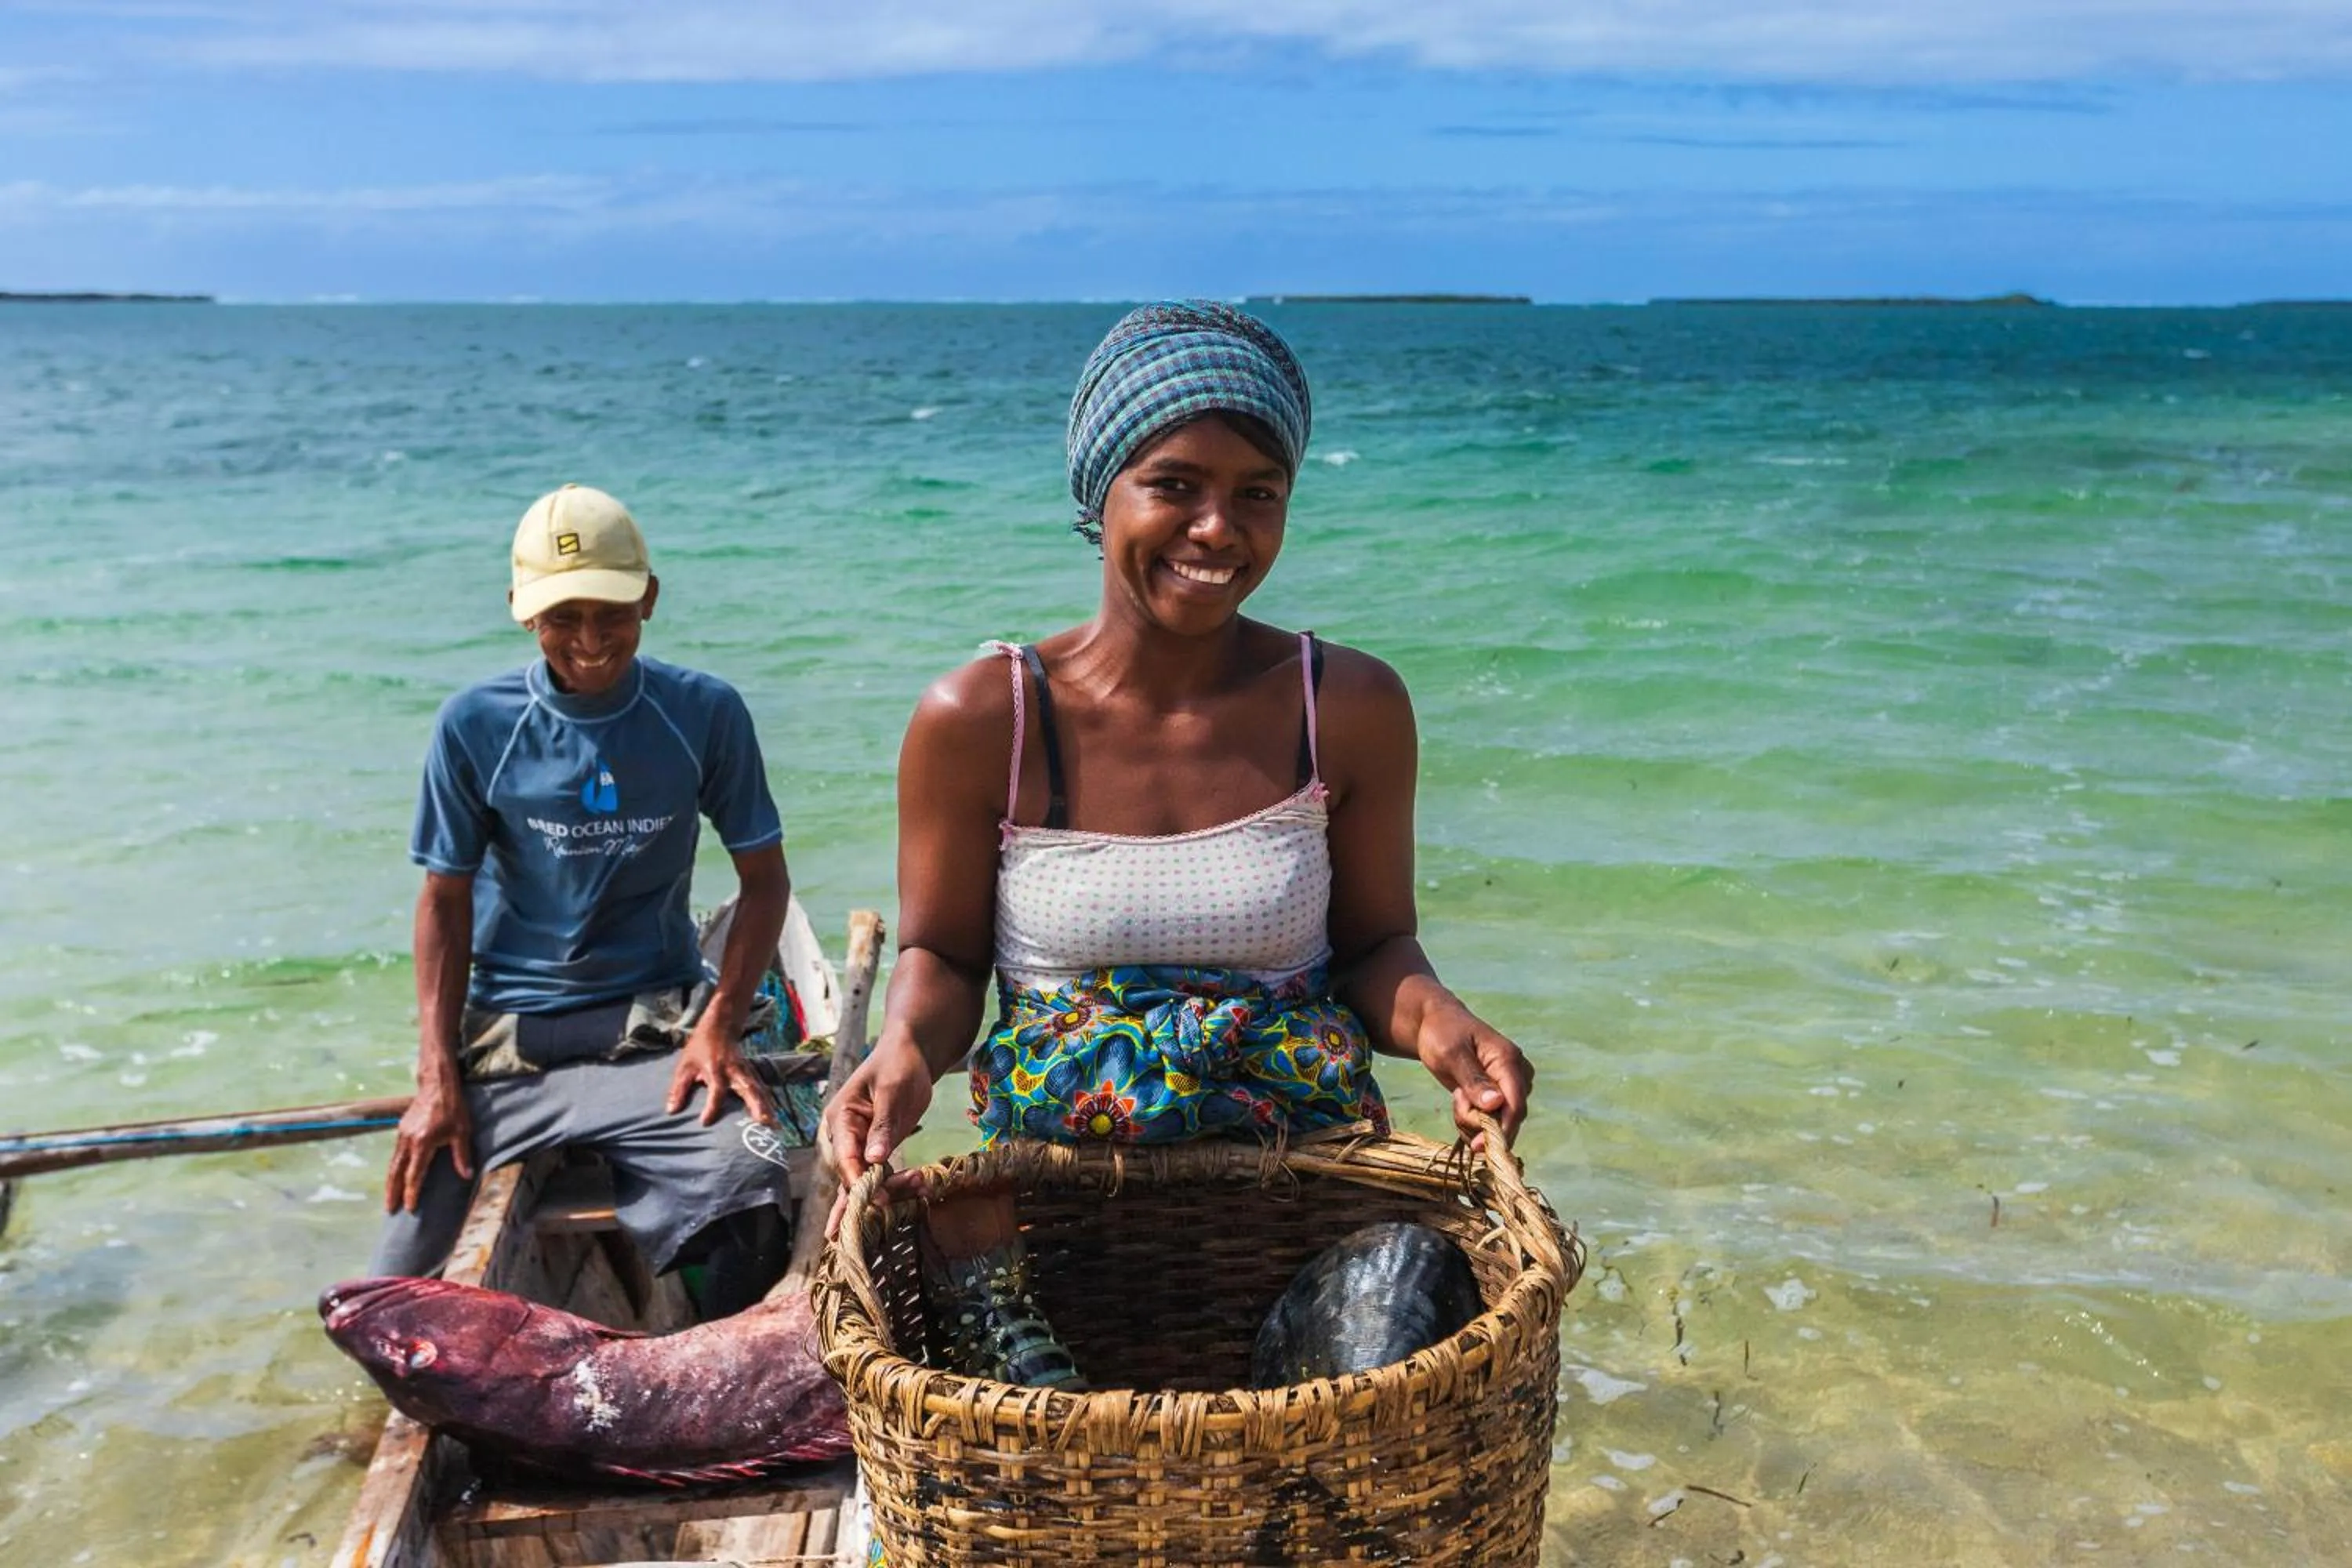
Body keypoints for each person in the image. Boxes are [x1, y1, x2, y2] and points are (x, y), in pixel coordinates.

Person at [823, 303, 1534, 1386]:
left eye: (1258, 494)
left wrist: (1443, 1025)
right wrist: (908, 1052)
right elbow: (947, 960)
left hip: (1296, 1184)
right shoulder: (983, 716)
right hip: (1064, 1210)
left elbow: (1376, 948)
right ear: (1098, 493)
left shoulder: (1345, 703)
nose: (1218, 529)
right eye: (1174, 486)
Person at [374, 483, 797, 1319]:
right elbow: (443, 904)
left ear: (649, 597)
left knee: (752, 1183)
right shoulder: (474, 726)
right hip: (508, 1034)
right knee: (390, 1291)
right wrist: (434, 1073)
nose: (591, 640)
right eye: (564, 617)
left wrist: (718, 1027)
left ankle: (707, 1372)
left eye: (611, 611)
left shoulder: (702, 713)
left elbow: (765, 882)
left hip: (652, 1023)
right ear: (521, 612)